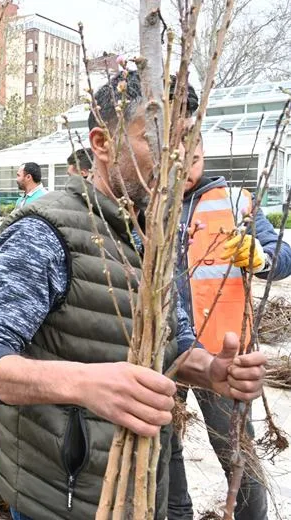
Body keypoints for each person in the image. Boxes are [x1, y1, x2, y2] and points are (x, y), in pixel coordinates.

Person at [0, 73, 268, 519]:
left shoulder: (155, 238)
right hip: (61, 500)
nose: (175, 157)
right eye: (157, 139)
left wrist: (211, 370)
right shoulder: (45, 232)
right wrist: (84, 384)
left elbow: (175, 344)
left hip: (141, 488)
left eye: (184, 140)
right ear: (101, 143)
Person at [166, 135, 291, 519]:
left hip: (222, 355)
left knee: (238, 456)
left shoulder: (236, 202)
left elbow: (283, 255)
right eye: (176, 161)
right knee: (165, 453)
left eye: (195, 159)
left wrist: (260, 257)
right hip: (169, 354)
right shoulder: (151, 208)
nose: (186, 170)